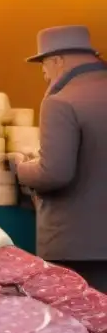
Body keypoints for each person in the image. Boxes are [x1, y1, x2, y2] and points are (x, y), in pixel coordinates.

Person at [10, 26, 107, 290]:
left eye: (43, 67)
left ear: (57, 60)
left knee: (82, 323)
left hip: (78, 245)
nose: (44, 75)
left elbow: (54, 173)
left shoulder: (61, 101)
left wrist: (21, 168)